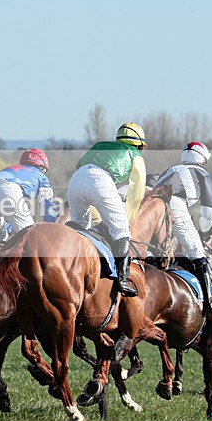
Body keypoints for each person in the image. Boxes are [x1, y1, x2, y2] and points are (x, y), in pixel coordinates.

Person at [67, 123, 147, 296]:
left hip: (76, 179)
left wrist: (96, 217)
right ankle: (123, 280)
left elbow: (80, 167)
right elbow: (136, 193)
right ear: (139, 145)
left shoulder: (100, 145)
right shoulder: (135, 155)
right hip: (100, 180)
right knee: (121, 230)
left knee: (79, 226)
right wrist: (127, 220)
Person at [154, 141, 212, 313]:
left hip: (151, 207)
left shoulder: (172, 169)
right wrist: (204, 230)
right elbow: (207, 213)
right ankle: (210, 301)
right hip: (175, 206)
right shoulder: (203, 174)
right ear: (201, 158)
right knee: (197, 252)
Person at [0, 148, 58, 244]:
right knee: (32, 237)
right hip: (9, 190)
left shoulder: (10, 169)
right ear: (41, 167)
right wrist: (50, 228)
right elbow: (48, 205)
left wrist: (5, 229)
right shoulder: (41, 177)